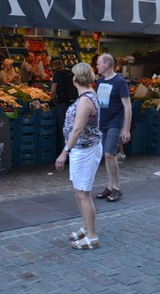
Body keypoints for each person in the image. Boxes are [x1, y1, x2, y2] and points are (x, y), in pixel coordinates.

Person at [55, 62, 103, 250]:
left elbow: (77, 130)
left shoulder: (85, 100)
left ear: (77, 78)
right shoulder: (87, 95)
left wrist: (63, 153)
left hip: (85, 150)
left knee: (84, 193)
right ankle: (85, 227)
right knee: (79, 191)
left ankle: (92, 237)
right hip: (81, 150)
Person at [94, 53, 131, 203]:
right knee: (106, 155)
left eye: (99, 63)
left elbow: (127, 106)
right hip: (102, 123)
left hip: (115, 123)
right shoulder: (99, 81)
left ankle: (116, 187)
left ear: (107, 64)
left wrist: (126, 129)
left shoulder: (120, 82)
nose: (96, 66)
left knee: (110, 153)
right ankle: (110, 186)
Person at [51, 59, 78, 153]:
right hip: (72, 103)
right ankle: (72, 149)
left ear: (55, 69)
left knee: (63, 127)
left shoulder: (57, 74)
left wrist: (53, 98)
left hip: (62, 103)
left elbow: (53, 90)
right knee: (72, 127)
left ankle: (64, 151)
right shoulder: (70, 73)